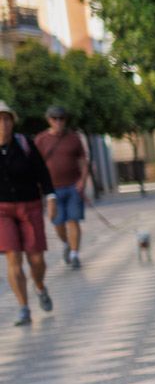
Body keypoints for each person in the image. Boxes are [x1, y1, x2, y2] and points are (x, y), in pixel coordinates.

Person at [0, 101, 54, 327]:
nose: (3, 124)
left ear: (12, 122)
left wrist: (51, 197)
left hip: (29, 205)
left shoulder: (25, 144)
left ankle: (40, 286)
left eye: (6, 119)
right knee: (13, 258)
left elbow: (43, 173)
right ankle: (23, 307)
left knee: (36, 258)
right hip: (2, 210)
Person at [34, 104, 87, 269]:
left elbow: (83, 160)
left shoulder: (74, 138)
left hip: (73, 187)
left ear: (65, 120)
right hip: (52, 190)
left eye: (61, 118)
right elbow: (35, 164)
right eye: (54, 118)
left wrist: (82, 181)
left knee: (73, 220)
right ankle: (66, 244)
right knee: (58, 222)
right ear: (48, 120)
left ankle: (75, 254)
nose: (58, 122)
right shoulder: (41, 139)